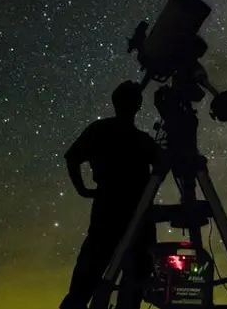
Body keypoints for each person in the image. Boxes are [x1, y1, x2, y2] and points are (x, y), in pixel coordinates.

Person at [60, 80, 161, 309]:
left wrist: (83, 190)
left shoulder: (102, 130)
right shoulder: (142, 140)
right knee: (129, 278)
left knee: (90, 275)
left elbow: (73, 158)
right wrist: (83, 189)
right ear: (137, 105)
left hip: (112, 211)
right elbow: (164, 165)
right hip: (134, 214)